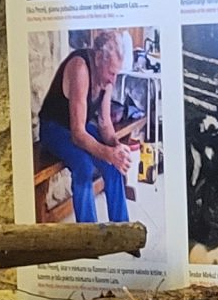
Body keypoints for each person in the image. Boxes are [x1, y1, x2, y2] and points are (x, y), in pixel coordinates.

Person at [37, 29, 143, 223]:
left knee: (113, 165)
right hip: (54, 128)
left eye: (116, 73)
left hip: (77, 126)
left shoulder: (107, 77)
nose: (113, 79)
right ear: (98, 58)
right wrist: (107, 153)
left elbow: (104, 123)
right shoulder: (80, 68)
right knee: (83, 166)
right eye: (111, 72)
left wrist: (115, 147)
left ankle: (122, 231)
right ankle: (89, 238)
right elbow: (78, 134)